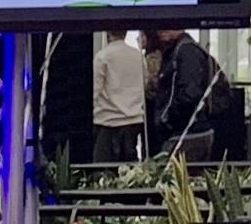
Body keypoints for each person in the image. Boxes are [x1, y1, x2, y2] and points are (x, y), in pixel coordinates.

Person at [145, 26, 224, 161]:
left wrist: (166, 119)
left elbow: (190, 94)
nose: (161, 30)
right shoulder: (181, 50)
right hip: (190, 129)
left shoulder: (185, 51)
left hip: (187, 132)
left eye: (168, 25)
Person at [89, 31, 146, 164]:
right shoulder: (138, 56)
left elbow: (95, 89)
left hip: (107, 121)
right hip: (133, 120)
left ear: (108, 33)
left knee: (103, 169)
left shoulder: (102, 56)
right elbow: (145, 82)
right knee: (130, 168)